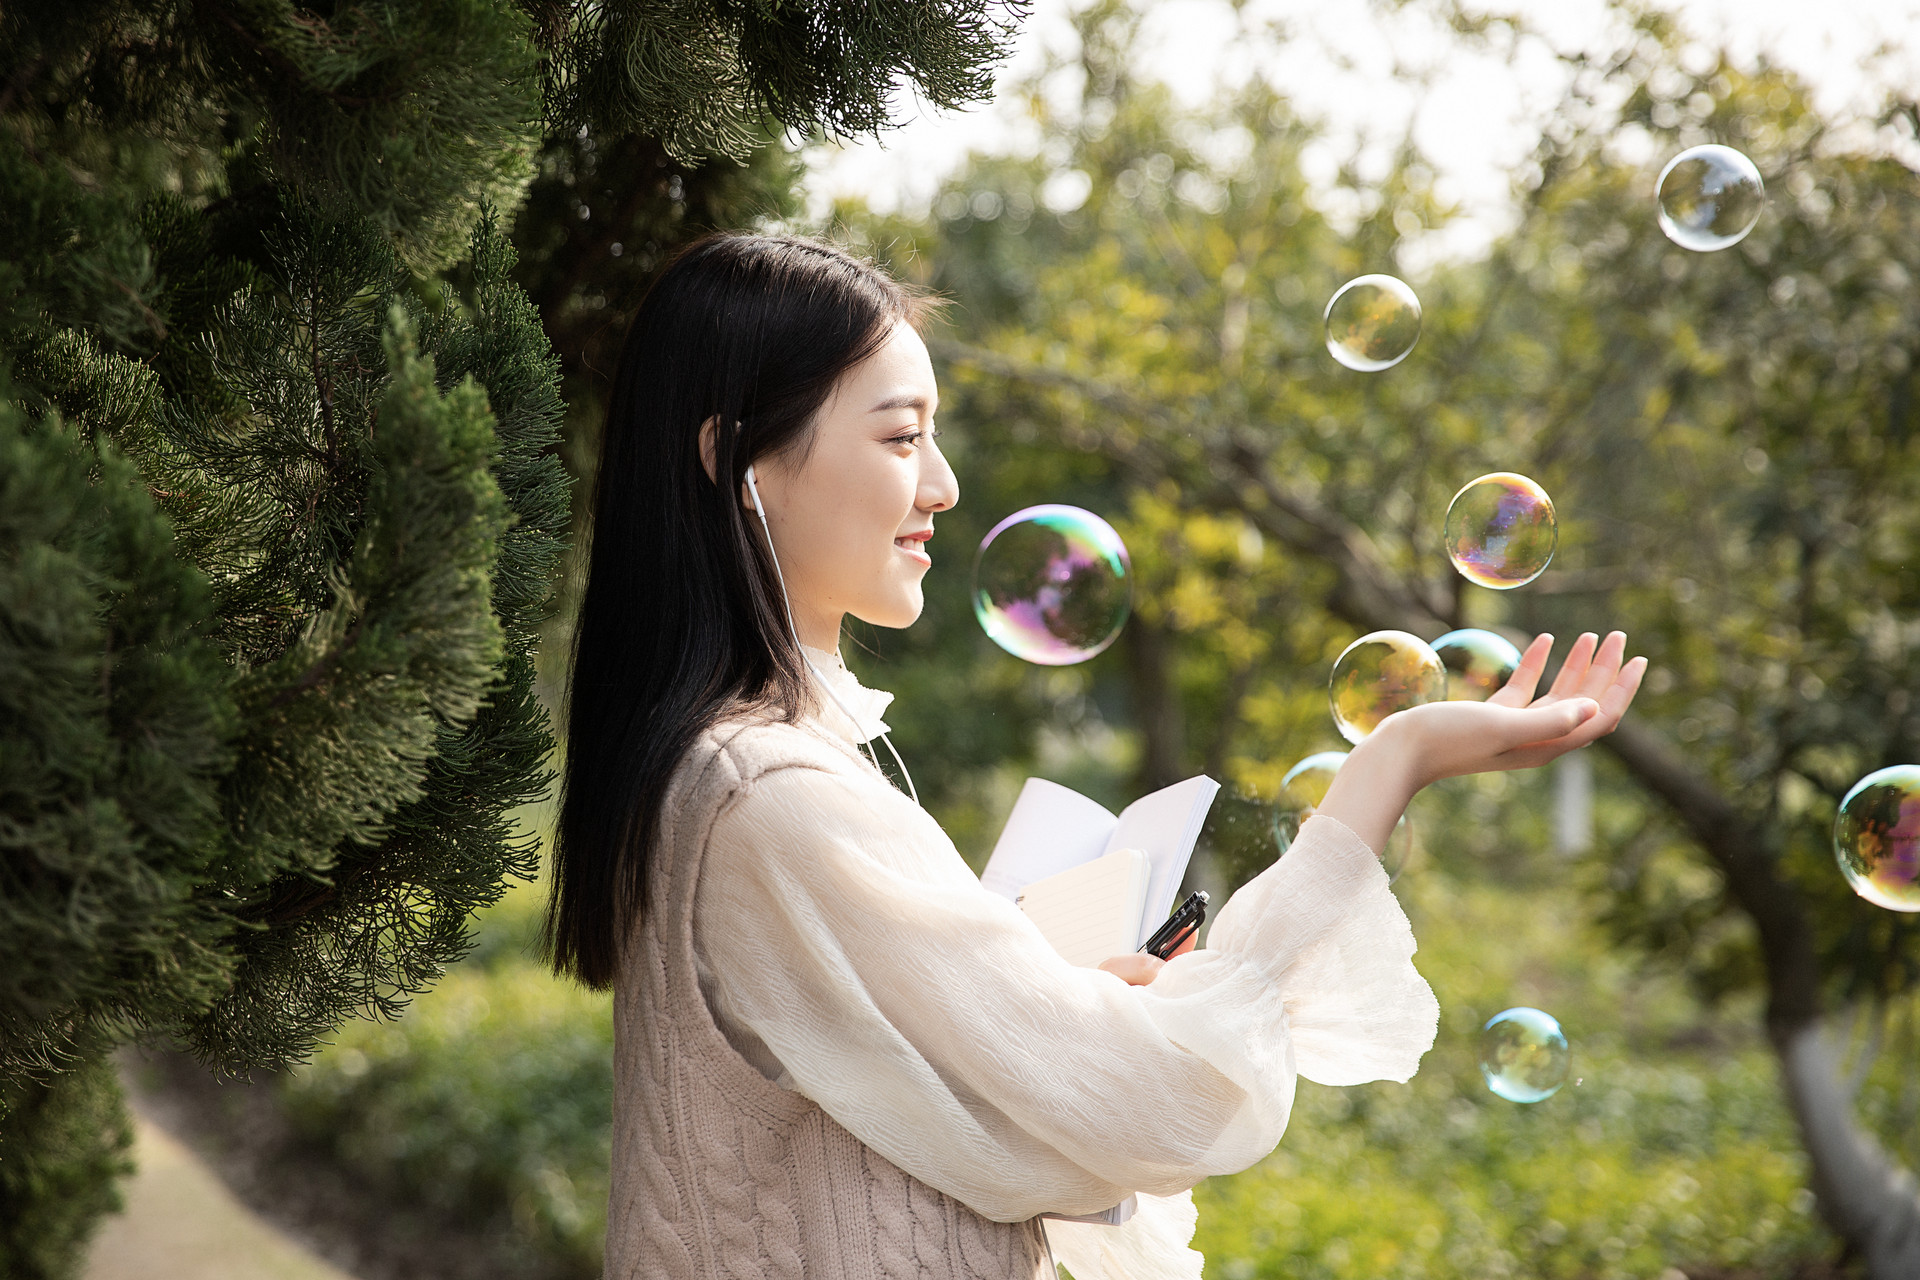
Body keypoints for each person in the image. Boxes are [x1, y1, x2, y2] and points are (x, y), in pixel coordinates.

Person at [546, 233, 1647, 1280]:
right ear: (735, 459)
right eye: (899, 435)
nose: (943, 484)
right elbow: (1156, 1093)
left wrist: (1044, 992)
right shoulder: (774, 796)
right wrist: (1395, 756)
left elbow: (924, 1089)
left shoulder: (737, 767)